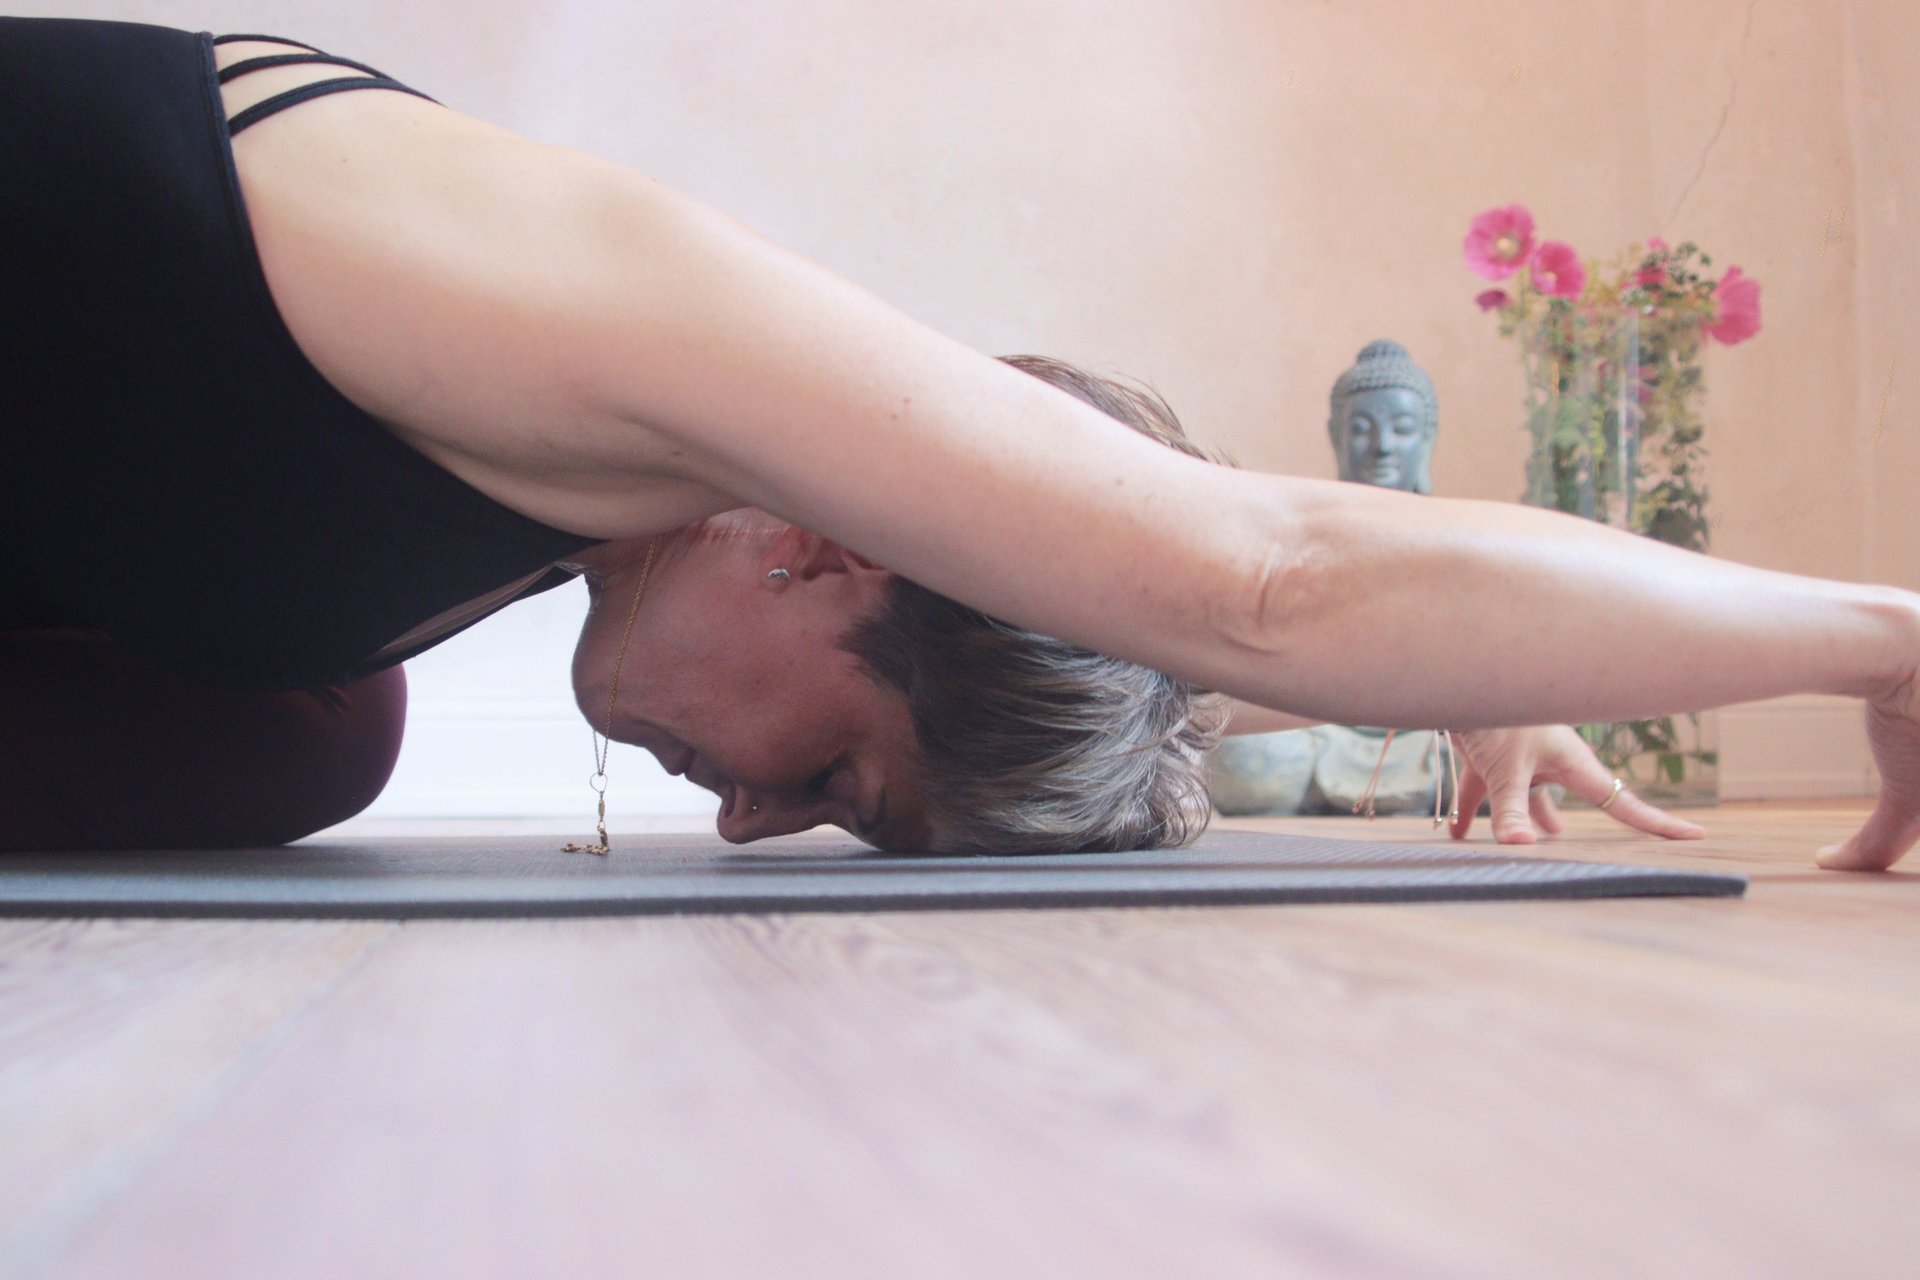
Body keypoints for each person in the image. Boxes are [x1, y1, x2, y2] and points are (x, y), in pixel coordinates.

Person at [3, 18, 1915, 869]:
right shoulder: (614, 337)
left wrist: (1480, 677)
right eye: (827, 774)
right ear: (832, 549)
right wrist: (1875, 638)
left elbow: (1103, 617)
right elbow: (1260, 579)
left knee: (317, 727)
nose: (740, 818)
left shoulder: (640, 472)